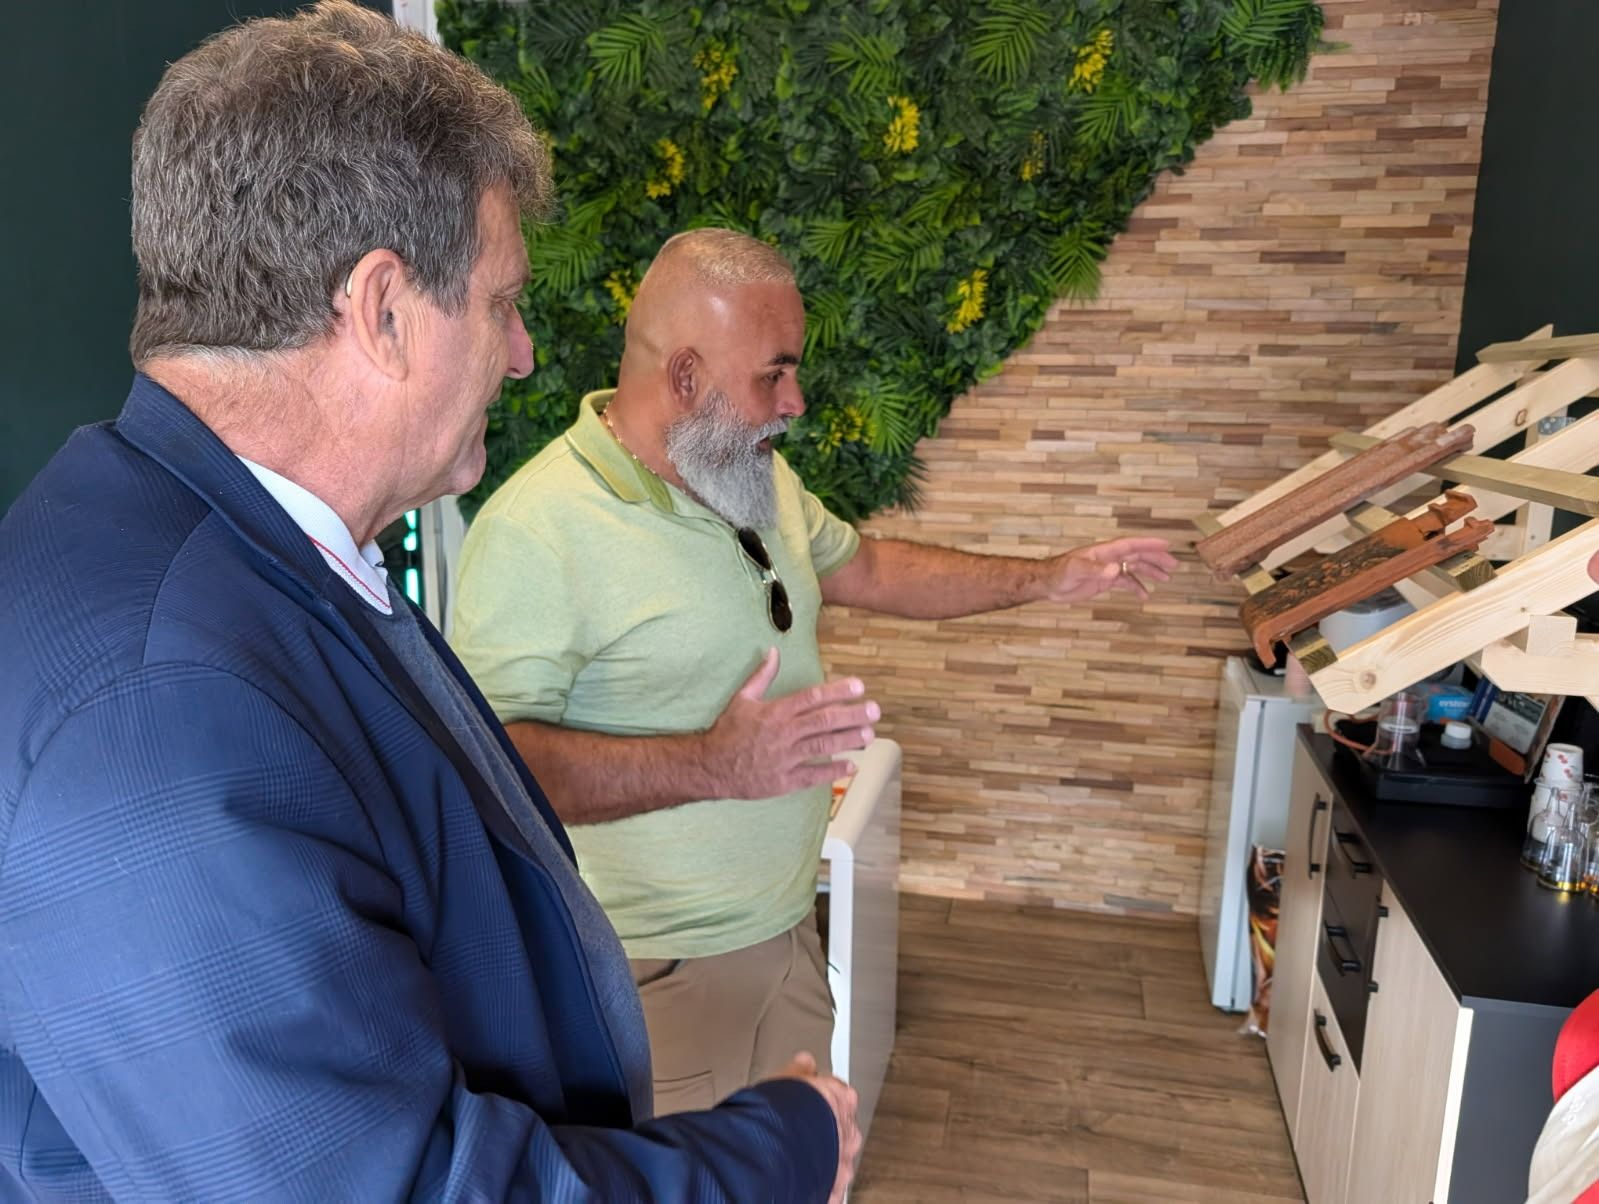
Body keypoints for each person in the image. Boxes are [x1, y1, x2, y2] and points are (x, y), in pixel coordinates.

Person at [0, 6, 859, 1200]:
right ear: (383, 308)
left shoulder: (247, 549)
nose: (518, 355)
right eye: (502, 303)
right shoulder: (154, 708)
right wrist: (778, 1149)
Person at [449, 227, 1179, 1113]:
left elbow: (866, 568)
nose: (796, 400)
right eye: (774, 373)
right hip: (653, 975)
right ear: (685, 376)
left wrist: (1048, 578)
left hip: (788, 934)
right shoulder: (538, 528)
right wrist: (712, 763)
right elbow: (496, 770)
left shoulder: (751, 475)